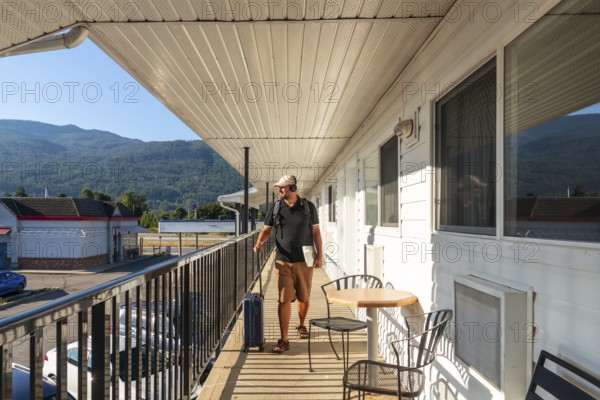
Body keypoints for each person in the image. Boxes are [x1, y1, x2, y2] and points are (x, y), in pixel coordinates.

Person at [253, 175, 323, 353]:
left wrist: (319, 256)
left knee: (303, 297)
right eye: (279, 187)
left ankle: (300, 325)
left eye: (282, 187)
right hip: (282, 260)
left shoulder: (308, 207)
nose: (279, 190)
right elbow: (266, 229)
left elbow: (316, 233)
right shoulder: (275, 208)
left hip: (305, 260)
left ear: (292, 188)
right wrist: (259, 242)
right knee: (283, 299)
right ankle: (284, 339)